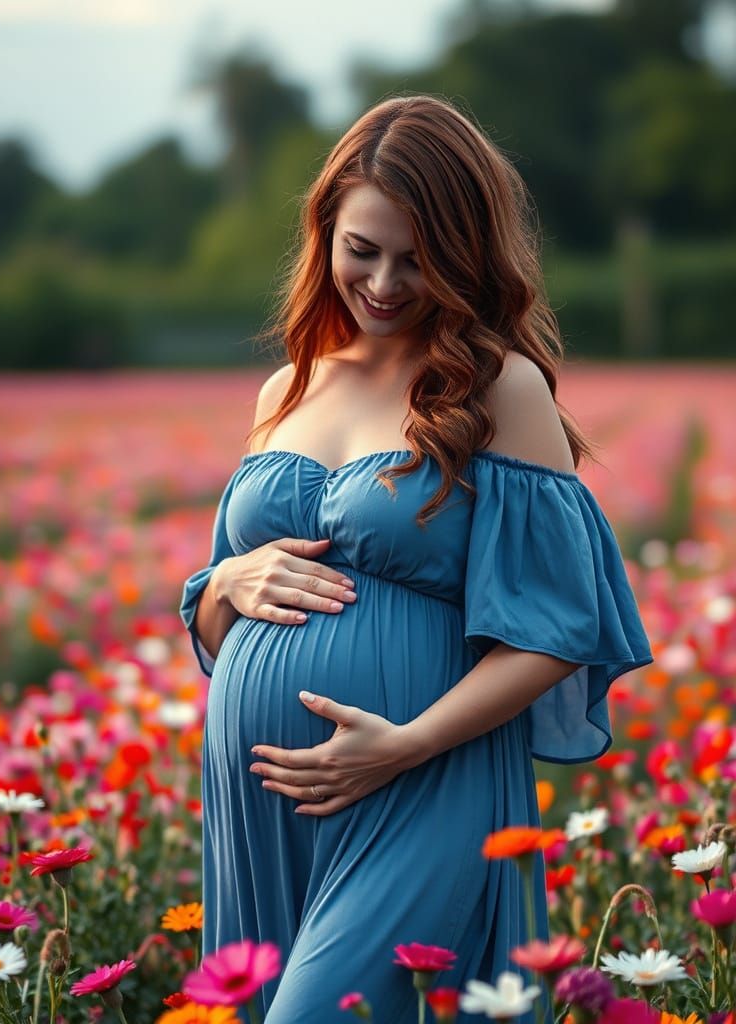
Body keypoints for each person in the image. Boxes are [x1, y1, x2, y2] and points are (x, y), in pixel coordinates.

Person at [179, 94, 653, 1024]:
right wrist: (223, 583)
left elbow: (557, 630)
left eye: (418, 258)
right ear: (325, 235)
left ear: (466, 254)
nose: (387, 282)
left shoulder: (501, 388)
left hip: (422, 778)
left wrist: (406, 745)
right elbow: (218, 612)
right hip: (265, 804)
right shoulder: (289, 385)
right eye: (364, 250)